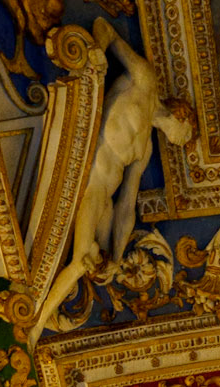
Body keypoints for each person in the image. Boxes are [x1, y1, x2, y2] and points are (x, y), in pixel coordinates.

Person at [31, 21, 195, 337]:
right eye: (185, 136)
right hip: (90, 183)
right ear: (182, 117)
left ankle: (42, 313)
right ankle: (37, 325)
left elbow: (126, 207)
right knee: (81, 259)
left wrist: (119, 258)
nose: (180, 142)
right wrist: (96, 52)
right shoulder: (146, 80)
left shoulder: (146, 147)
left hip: (103, 198)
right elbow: (105, 27)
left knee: (99, 261)